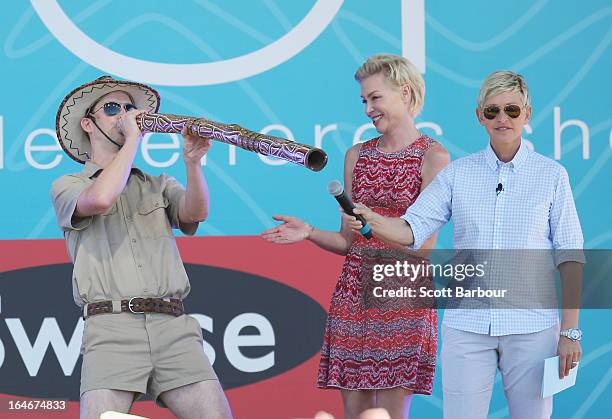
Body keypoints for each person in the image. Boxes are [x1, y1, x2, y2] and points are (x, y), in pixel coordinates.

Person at [350, 71, 584, 419]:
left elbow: (570, 256)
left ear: (528, 114)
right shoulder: (458, 174)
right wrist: (373, 219)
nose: (502, 119)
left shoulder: (552, 175)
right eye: (492, 111)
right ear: (480, 116)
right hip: (467, 326)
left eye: (511, 110)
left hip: (533, 328)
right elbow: (412, 229)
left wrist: (570, 332)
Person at [262, 54, 450, 419]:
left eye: (375, 98)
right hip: (354, 296)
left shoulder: (434, 157)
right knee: (356, 413)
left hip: (402, 296)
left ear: (405, 93)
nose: (368, 109)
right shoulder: (356, 156)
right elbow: (349, 244)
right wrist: (311, 233)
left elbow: (424, 247)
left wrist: (373, 221)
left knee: (391, 416)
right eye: (364, 101)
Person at [51, 76, 233, 419]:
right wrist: (133, 137)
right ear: (88, 124)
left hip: (172, 325)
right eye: (112, 108)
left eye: (130, 108)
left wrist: (193, 163)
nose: (125, 114)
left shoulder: (157, 183)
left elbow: (196, 213)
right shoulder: (67, 185)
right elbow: (102, 198)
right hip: (110, 327)